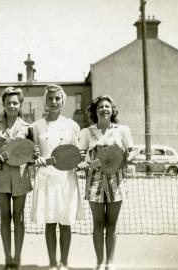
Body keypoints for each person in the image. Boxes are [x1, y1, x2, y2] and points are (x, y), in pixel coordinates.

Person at [77, 95, 136, 270]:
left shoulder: (122, 130)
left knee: (111, 224)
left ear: (112, 110)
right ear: (95, 111)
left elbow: (132, 151)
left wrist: (124, 159)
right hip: (94, 183)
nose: (104, 109)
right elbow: (80, 158)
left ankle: (109, 263)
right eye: (100, 107)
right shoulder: (86, 132)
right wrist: (80, 164)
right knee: (98, 224)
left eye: (107, 107)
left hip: (116, 182)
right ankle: (99, 263)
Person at [31, 84, 84, 270]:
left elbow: (77, 154)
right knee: (50, 223)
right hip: (46, 179)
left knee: (66, 223)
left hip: (66, 180)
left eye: (57, 98)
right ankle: (53, 263)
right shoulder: (36, 127)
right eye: (50, 98)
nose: (53, 102)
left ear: (63, 101)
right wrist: (36, 159)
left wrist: (81, 163)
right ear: (45, 101)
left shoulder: (72, 126)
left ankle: (64, 263)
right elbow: (34, 153)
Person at [0, 87, 33, 270]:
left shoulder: (28, 128)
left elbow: (33, 154)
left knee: (18, 218)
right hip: (1, 175)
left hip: (21, 176)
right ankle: (7, 257)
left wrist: (33, 155)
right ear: (3, 105)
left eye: (15, 102)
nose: (12, 106)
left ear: (20, 104)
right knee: (5, 217)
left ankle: (18, 257)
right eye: (8, 103)